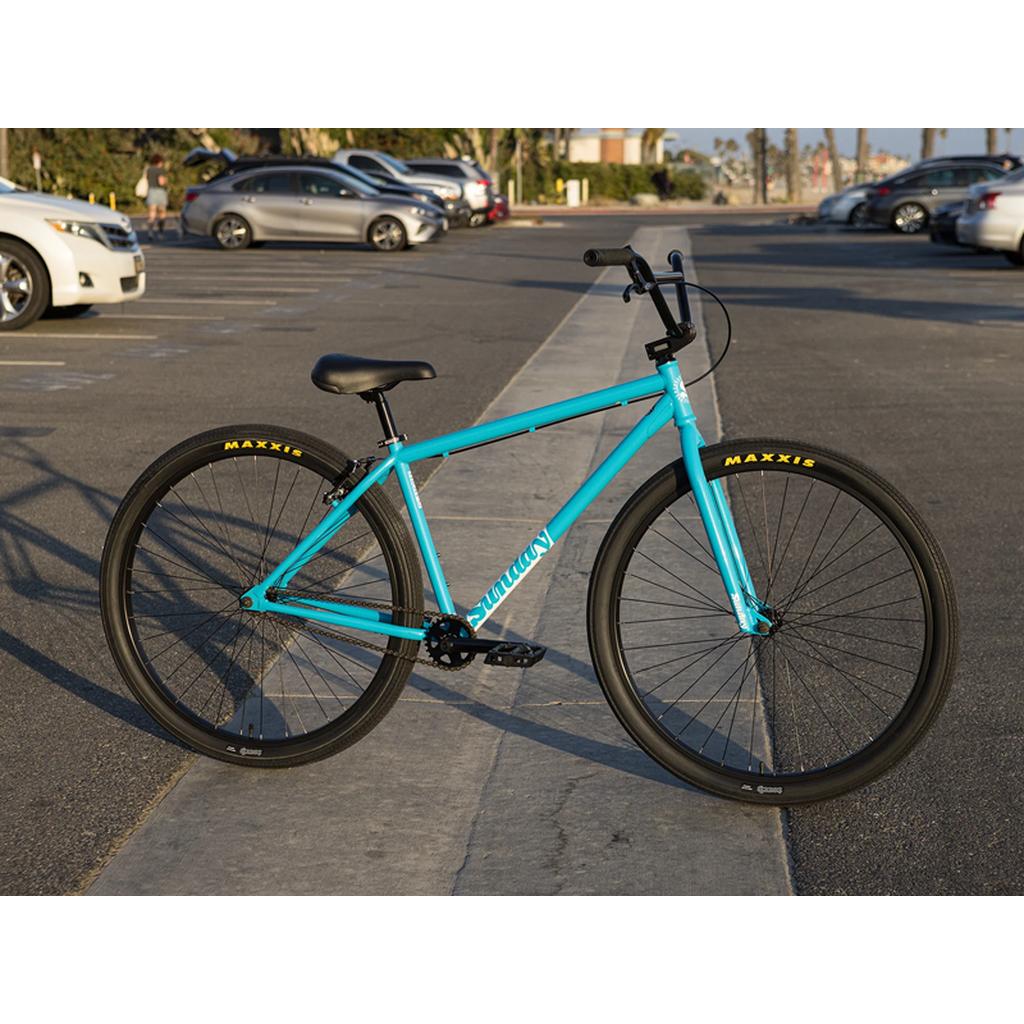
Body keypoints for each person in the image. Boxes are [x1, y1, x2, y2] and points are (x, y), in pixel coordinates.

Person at [145, 154, 169, 241]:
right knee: (162, 213)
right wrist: (166, 181)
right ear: (160, 162)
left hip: (151, 191)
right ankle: (160, 233)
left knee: (152, 213)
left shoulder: (149, 169)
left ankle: (150, 232)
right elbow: (161, 182)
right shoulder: (160, 170)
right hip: (160, 192)